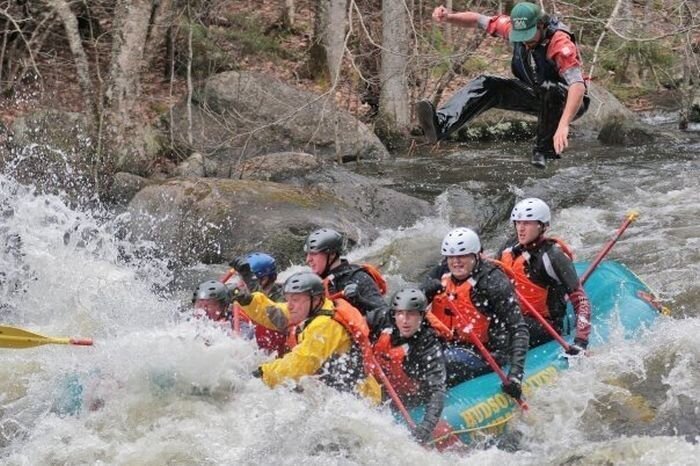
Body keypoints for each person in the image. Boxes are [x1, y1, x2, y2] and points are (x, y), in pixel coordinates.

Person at [416, 2, 589, 168]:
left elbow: (577, 86)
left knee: (550, 88)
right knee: (488, 84)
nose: (525, 42)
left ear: (541, 25)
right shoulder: (511, 27)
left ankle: (544, 151)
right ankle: (441, 125)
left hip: (568, 102)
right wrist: (448, 18)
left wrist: (564, 124)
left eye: (528, 36)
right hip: (535, 93)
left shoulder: (560, 42)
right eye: (521, 37)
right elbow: (477, 19)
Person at [232, 271, 381, 401]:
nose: (290, 305)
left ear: (315, 300)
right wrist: (248, 300)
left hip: (357, 399)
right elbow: (276, 313)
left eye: (295, 300)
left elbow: (301, 364)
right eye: (288, 299)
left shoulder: (325, 325)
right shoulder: (316, 309)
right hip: (334, 393)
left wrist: (264, 373)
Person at [422, 228, 529, 400]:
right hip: (450, 343)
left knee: (445, 362)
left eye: (462, 256)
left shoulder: (492, 281)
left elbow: (518, 329)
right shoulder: (442, 272)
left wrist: (516, 375)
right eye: (451, 257)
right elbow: (409, 308)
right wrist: (422, 293)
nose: (456, 262)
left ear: (475, 256)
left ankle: (430, 403)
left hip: (487, 353)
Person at [499, 198, 591, 353]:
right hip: (516, 317)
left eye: (527, 223)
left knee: (500, 327)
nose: (521, 229)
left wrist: (581, 340)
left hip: (545, 326)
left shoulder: (553, 256)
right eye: (518, 223)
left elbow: (581, 301)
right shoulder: (509, 250)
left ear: (542, 226)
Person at [370, 287, 447, 445]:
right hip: (383, 391)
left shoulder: (428, 345)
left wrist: (426, 428)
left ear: (421, 316)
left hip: (413, 398)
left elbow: (436, 391)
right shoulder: (383, 320)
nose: (405, 320)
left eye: (411, 314)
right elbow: (357, 322)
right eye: (400, 313)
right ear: (394, 315)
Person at [304, 228, 388, 321]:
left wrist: (360, 301)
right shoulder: (313, 284)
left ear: (331, 254)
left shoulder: (359, 278)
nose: (308, 260)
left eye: (314, 254)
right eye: (307, 254)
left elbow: (385, 315)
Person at [227, 252, 287, 354]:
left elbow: (266, 308)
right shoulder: (244, 298)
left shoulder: (285, 298)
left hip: (277, 355)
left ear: (263, 280)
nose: (239, 284)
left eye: (243, 279)